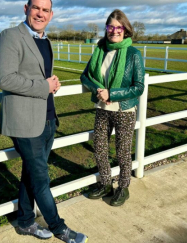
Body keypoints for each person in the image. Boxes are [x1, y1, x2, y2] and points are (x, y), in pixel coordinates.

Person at [0, 0, 88, 242]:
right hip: (25, 121)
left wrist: (50, 85)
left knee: (31, 174)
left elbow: (39, 77)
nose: (40, 13)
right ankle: (60, 228)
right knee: (42, 179)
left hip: (47, 118)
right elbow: (5, 79)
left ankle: (25, 221)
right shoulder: (10, 36)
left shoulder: (45, 40)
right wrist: (43, 86)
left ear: (51, 14)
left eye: (45, 10)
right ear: (26, 9)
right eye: (36, 7)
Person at [80, 9, 145, 207]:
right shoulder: (100, 50)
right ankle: (106, 184)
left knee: (123, 151)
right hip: (102, 108)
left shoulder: (134, 54)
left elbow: (138, 87)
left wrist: (112, 93)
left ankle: (123, 188)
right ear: (106, 29)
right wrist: (98, 89)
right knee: (99, 148)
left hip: (124, 110)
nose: (114, 31)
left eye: (119, 27)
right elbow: (84, 77)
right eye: (110, 27)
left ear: (125, 30)